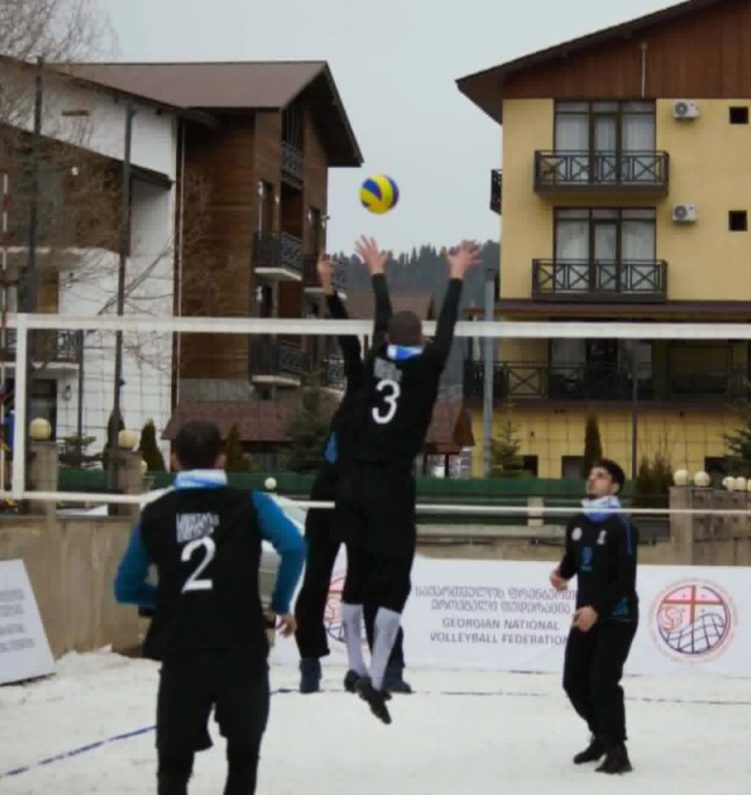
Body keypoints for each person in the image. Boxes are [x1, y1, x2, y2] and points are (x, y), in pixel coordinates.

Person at [113, 420, 306, 795]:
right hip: (241, 645)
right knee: (244, 754)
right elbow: (295, 547)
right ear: (221, 459)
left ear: (173, 459)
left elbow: (124, 587)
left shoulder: (156, 513)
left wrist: (168, 599)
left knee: (173, 763)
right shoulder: (251, 504)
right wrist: (280, 603)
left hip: (183, 649)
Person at [335, 235, 481, 723]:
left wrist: (377, 271)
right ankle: (376, 677)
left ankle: (354, 667)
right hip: (390, 484)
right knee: (395, 577)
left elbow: (381, 319)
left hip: (351, 481)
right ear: (419, 341)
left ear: (388, 340)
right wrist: (457, 273)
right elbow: (449, 324)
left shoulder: (377, 357)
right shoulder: (429, 366)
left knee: (356, 571)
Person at [293, 255, 410, 695]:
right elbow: (354, 334)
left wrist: (377, 275)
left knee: (373, 580)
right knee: (317, 577)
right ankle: (310, 662)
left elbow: (382, 326)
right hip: (332, 487)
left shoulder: (397, 384)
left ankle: (390, 665)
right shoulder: (362, 377)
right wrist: (329, 286)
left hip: (363, 494)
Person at [550, 459, 639, 775]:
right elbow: (572, 562)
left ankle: (618, 750)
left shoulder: (622, 527)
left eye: (600, 476)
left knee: (603, 681)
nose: (592, 480)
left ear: (614, 486)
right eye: (590, 476)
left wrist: (597, 610)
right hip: (584, 616)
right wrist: (561, 574)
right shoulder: (577, 522)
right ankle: (601, 734)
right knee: (573, 681)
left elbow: (625, 581)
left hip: (617, 616)